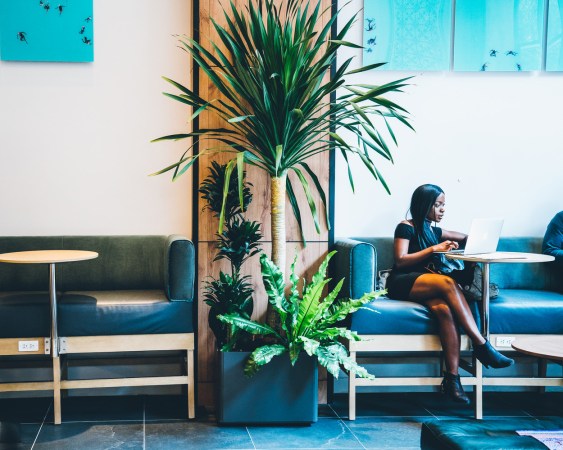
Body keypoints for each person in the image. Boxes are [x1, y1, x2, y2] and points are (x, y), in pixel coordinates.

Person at [386, 184, 514, 404]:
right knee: (447, 282)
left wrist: (473, 242)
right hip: (403, 282)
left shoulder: (433, 230)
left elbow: (466, 237)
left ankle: (452, 380)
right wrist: (434, 249)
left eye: (444, 205)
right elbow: (401, 260)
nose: (442, 210)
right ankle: (482, 345)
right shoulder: (405, 227)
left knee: (444, 310)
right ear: (423, 204)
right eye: (437, 205)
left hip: (428, 284)